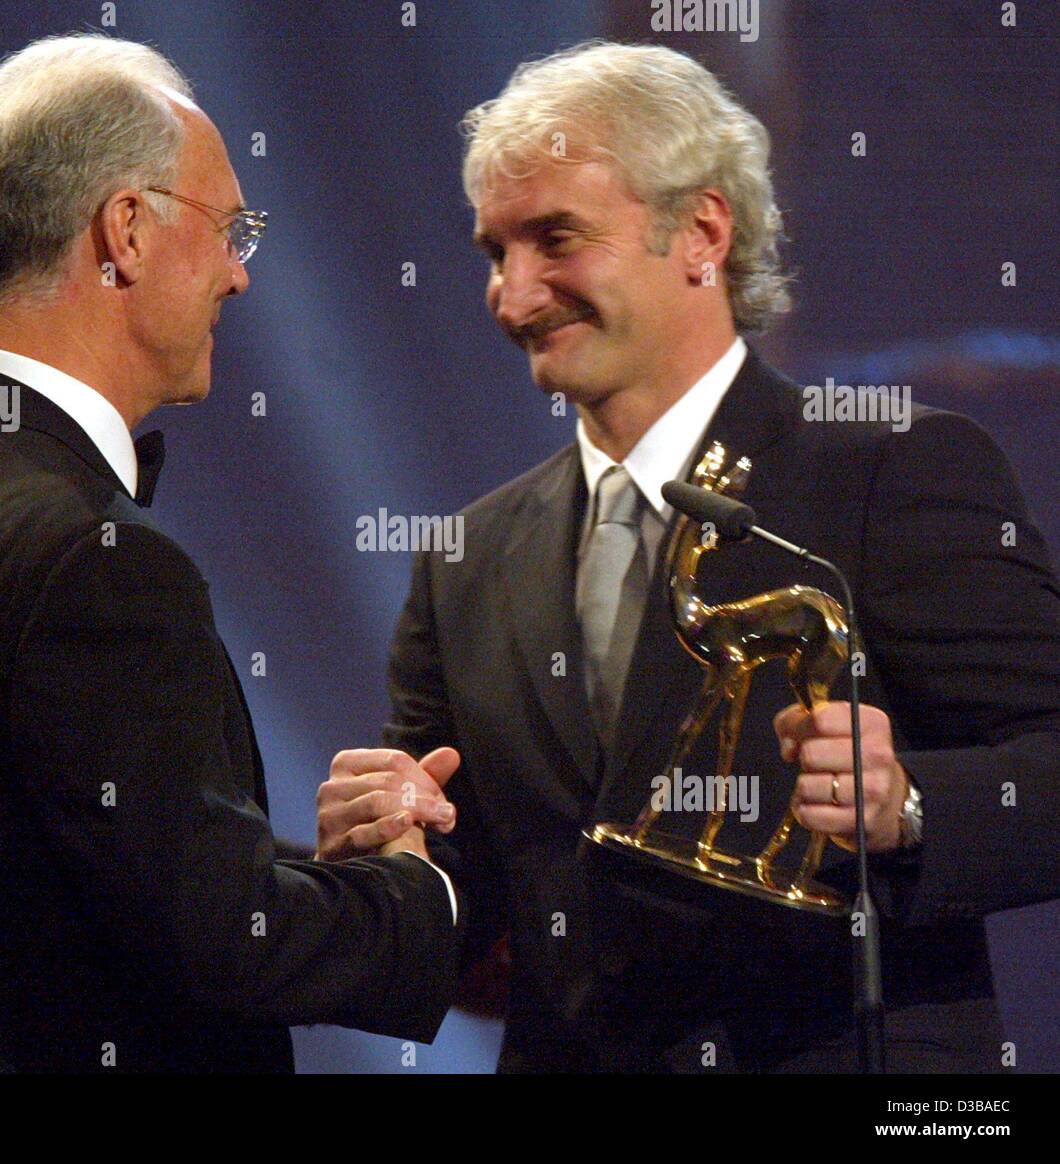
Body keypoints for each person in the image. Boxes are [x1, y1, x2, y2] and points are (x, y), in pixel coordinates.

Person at [318, 41, 1060, 1072]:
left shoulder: (892, 470)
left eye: (555, 240)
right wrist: (394, 849)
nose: (514, 296)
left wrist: (912, 809)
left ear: (701, 232)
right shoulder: (468, 557)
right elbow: (474, 885)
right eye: (494, 252)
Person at [0, 33, 461, 1074]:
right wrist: (413, 892)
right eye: (229, 229)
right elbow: (218, 945)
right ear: (127, 231)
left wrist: (288, 874)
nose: (239, 274)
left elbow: (65, 876)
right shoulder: (89, 561)